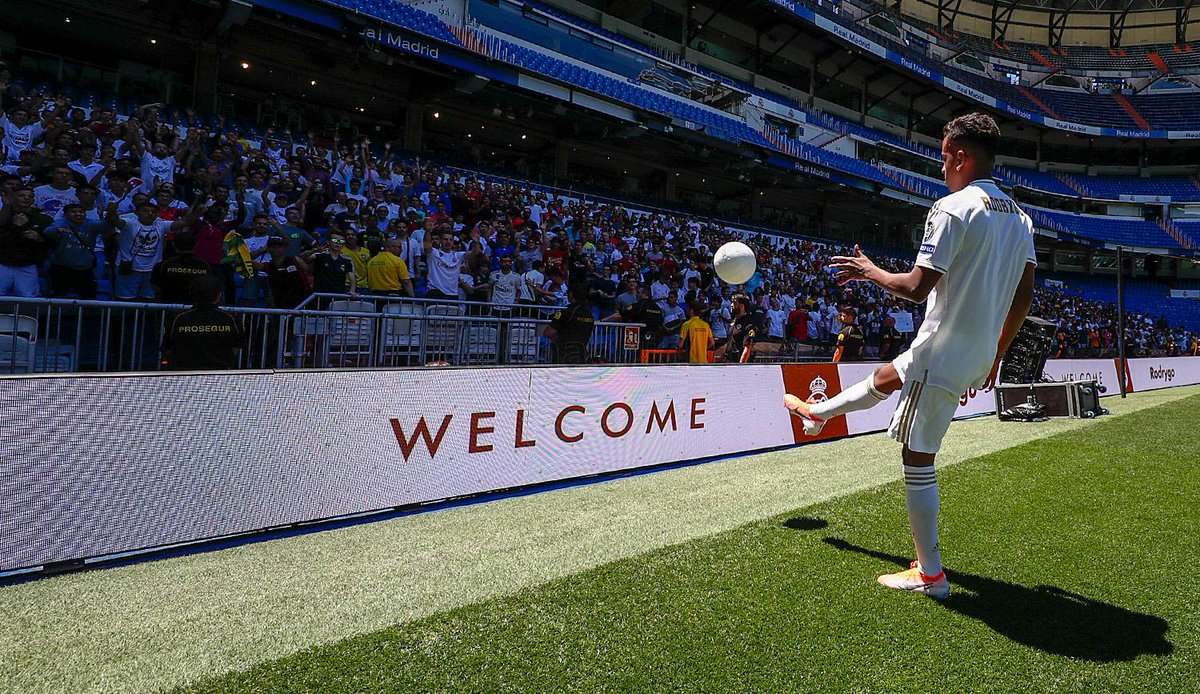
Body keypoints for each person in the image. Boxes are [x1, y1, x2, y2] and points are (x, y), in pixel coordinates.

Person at [783, 113, 1037, 600]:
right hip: (975, 352)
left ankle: (931, 574)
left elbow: (917, 289)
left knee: (917, 456)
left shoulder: (953, 208)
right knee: (887, 376)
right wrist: (997, 354)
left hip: (942, 351)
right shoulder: (1020, 217)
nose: (942, 167)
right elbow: (1024, 297)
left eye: (944, 157)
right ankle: (816, 414)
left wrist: (869, 270)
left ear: (961, 157)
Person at [161, 275, 243, 370]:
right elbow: (236, 348)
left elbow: (168, 349)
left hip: (184, 375)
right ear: (219, 295)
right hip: (220, 375)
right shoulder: (231, 319)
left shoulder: (177, 319)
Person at [44, 203, 116, 298]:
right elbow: (47, 232)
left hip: (84, 269)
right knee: (59, 295)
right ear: (65, 214)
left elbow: (106, 226)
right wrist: (58, 230)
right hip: (61, 267)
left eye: (81, 212)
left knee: (88, 297)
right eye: (73, 212)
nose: (78, 214)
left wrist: (111, 213)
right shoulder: (60, 223)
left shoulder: (90, 224)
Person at [151, 233, 213, 303]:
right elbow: (209, 287)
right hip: (195, 309)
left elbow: (155, 288)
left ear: (173, 244)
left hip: (168, 309)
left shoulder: (162, 265)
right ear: (195, 245)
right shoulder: (204, 265)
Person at [543, 282, 595, 364]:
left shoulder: (566, 312)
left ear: (571, 294)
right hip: (581, 356)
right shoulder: (590, 314)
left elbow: (548, 332)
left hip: (563, 355)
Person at [309, 233, 358, 299]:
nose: (338, 243)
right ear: (328, 242)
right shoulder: (321, 255)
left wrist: (352, 290)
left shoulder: (347, 259)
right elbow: (307, 259)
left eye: (341, 241)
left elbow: (352, 277)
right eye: (335, 240)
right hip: (320, 294)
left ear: (343, 245)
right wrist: (315, 252)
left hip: (338, 295)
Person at [724, 293, 757, 363]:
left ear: (742, 306)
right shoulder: (734, 321)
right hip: (730, 363)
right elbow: (730, 342)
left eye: (734, 303)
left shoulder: (748, 323)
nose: (731, 305)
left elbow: (748, 347)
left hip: (742, 365)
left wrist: (741, 366)